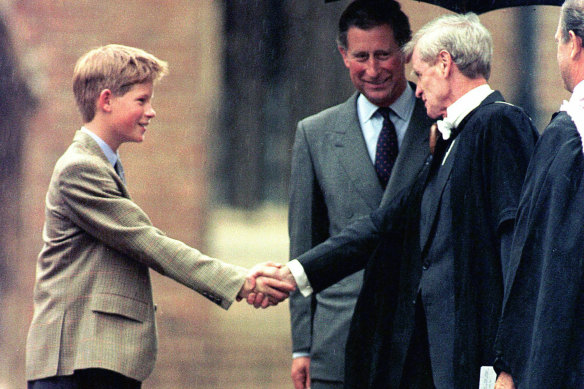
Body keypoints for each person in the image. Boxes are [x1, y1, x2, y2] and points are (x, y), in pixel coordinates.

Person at [252, 13, 538, 388]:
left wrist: (508, 364)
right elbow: (386, 223)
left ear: (445, 64)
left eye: (419, 76)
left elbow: (517, 253)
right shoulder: (454, 135)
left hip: (477, 360)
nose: (416, 90)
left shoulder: (499, 124)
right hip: (432, 358)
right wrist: (295, 273)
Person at [25, 44, 294, 389]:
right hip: (76, 362)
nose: (151, 112)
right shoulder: (81, 168)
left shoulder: (100, 165)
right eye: (141, 100)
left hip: (95, 361)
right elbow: (148, 242)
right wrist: (241, 282)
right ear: (106, 100)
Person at [287, 1, 433, 388]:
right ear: (342, 56)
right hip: (339, 341)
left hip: (420, 340)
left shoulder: (440, 119)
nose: (372, 70)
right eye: (360, 56)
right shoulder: (314, 134)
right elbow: (305, 244)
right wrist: (302, 346)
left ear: (406, 51)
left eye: (383, 55)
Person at [494, 1, 584, 387]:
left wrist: (510, 367)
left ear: (573, 42)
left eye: (558, 40)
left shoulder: (567, 140)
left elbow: (537, 264)